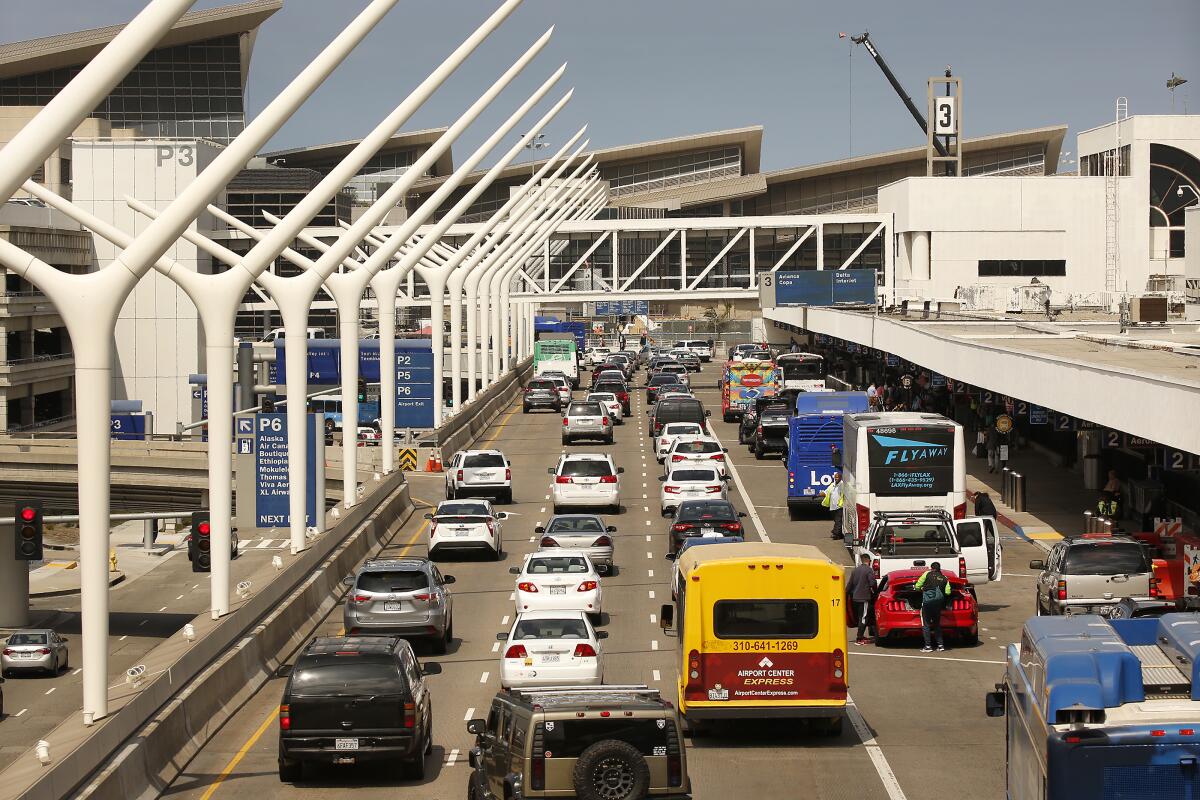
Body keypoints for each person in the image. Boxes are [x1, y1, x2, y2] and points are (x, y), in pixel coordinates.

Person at [914, 562, 952, 652]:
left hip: (927, 603)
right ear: (939, 569)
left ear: (931, 568)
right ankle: (940, 645)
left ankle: (928, 646)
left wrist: (921, 589)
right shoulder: (944, 578)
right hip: (938, 604)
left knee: (926, 625)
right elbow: (948, 592)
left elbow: (917, 586)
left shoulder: (927, 574)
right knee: (937, 624)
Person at [846, 554, 877, 645]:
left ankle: (860, 636)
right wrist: (875, 593)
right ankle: (859, 638)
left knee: (859, 617)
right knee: (863, 618)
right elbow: (872, 583)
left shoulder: (855, 570)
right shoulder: (869, 570)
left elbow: (849, 585)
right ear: (869, 561)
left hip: (855, 598)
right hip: (864, 598)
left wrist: (845, 595)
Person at [822, 471, 845, 540]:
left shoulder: (842, 485)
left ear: (840, 477)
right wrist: (817, 495)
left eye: (837, 477)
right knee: (836, 520)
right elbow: (826, 492)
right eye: (835, 477)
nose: (836, 478)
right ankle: (838, 532)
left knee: (838, 520)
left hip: (839, 506)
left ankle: (836, 534)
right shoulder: (832, 485)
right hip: (833, 506)